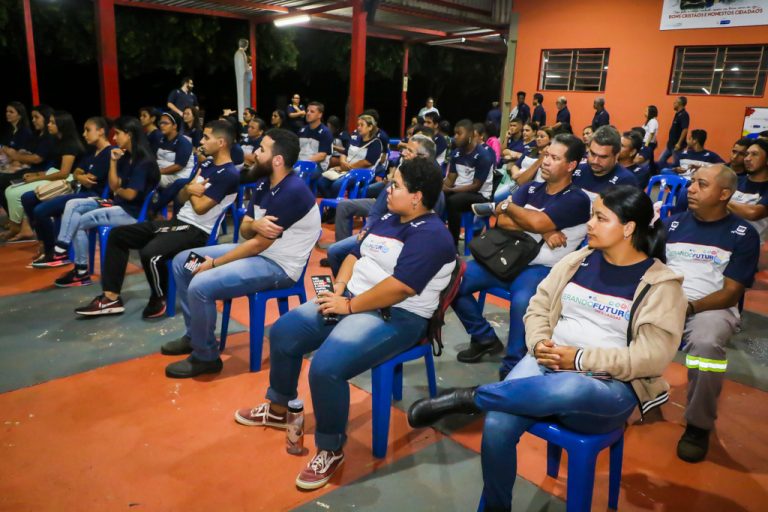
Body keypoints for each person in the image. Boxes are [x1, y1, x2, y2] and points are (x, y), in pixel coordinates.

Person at [408, 185, 686, 512]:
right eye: (591, 216)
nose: (590, 225)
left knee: (569, 384)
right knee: (497, 424)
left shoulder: (661, 285)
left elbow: (650, 358)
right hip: (550, 363)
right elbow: (537, 306)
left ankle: (471, 397)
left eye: (600, 218)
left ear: (628, 228)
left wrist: (580, 359)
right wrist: (539, 343)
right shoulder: (578, 261)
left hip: (609, 386)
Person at [234, 157, 456, 490]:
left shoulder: (434, 236)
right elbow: (355, 254)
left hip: (397, 316)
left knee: (325, 367)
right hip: (353, 297)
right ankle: (279, 406)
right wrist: (339, 289)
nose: (387, 188)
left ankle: (331, 447)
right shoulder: (389, 217)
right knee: (283, 332)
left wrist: (348, 305)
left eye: (395, 185)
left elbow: (400, 289)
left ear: (417, 196)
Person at [162, 128, 321, 378]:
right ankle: (196, 335)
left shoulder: (292, 192)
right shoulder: (263, 182)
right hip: (255, 252)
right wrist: (255, 225)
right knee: (184, 262)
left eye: (262, 150)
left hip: (279, 267)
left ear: (277, 160)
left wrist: (214, 264)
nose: (254, 153)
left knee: (200, 284)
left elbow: (257, 245)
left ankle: (206, 357)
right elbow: (246, 229)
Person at [74, 120, 239, 319]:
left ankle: (159, 297)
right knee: (118, 235)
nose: (202, 141)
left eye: (206, 137)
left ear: (221, 142)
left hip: (196, 231)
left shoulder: (229, 174)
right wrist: (190, 189)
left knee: (150, 253)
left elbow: (201, 208)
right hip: (179, 222)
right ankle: (111, 298)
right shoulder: (206, 164)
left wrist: (190, 190)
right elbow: (180, 197)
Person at [460, 134, 591, 374]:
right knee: (454, 280)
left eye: (555, 158)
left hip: (540, 268)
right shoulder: (531, 188)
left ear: (571, 165)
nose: (546, 162)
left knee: (522, 302)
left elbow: (529, 218)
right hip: (507, 258)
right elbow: (501, 221)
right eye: (546, 155)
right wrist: (543, 226)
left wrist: (514, 209)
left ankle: (512, 366)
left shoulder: (577, 199)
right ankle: (484, 338)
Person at [663, 165, 760, 463]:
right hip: (666, 301)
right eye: (692, 182)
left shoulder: (743, 234)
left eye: (701, 184)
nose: (690, 189)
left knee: (706, 346)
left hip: (712, 307)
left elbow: (732, 292)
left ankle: (698, 425)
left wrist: (688, 308)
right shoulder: (673, 224)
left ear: (724, 194)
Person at [49, 117, 160, 285]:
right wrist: (113, 162)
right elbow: (113, 184)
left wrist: (118, 191)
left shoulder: (144, 162)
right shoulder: (125, 157)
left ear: (129, 134)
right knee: (73, 205)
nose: (114, 138)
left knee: (78, 222)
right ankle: (64, 250)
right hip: (118, 205)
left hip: (132, 213)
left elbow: (129, 194)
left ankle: (79, 270)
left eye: (118, 134)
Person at [323, 134, 440, 274]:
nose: (403, 153)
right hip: (383, 226)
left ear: (423, 156)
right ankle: (346, 288)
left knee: (343, 253)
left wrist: (376, 234)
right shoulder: (404, 170)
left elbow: (425, 229)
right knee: (335, 250)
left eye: (409, 150)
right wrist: (368, 228)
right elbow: (379, 209)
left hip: (394, 237)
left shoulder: (433, 185)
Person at [24, 117, 115, 267]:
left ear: (100, 131)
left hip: (93, 197)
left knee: (40, 210)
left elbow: (91, 179)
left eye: (88, 130)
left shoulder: (109, 153)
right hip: (79, 191)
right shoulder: (92, 151)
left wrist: (80, 176)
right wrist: (80, 176)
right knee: (29, 198)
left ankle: (54, 252)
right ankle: (48, 245)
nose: (84, 134)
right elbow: (78, 172)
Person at [4, 110, 85, 245]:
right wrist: (36, 175)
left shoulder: (69, 144)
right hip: (56, 177)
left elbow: (64, 173)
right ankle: (23, 228)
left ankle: (26, 229)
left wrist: (35, 179)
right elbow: (54, 170)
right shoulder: (58, 142)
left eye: (52, 123)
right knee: (10, 190)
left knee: (16, 193)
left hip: (67, 182)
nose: (49, 125)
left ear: (62, 125)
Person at [0, 104, 56, 235]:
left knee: (6, 185)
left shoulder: (47, 137)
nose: (33, 120)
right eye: (33, 117)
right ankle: (16, 222)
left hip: (40, 173)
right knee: (5, 183)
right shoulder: (40, 136)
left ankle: (19, 224)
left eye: (36, 117)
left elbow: (37, 158)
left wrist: (15, 156)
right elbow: (28, 154)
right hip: (31, 170)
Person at [443, 119, 494, 247]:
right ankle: (437, 237)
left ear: (470, 136)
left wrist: (451, 190)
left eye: (459, 134)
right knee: (437, 197)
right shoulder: (457, 153)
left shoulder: (483, 156)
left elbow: (475, 187)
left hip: (480, 195)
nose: (455, 137)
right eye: (455, 133)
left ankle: (452, 246)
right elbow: (450, 179)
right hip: (460, 191)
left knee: (453, 201)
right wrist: (440, 186)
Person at [317, 114, 383, 199]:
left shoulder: (376, 143)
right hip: (346, 170)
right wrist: (342, 162)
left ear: (370, 127)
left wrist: (347, 167)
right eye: (358, 125)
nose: (358, 128)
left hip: (361, 174)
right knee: (321, 182)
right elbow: (344, 153)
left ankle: (334, 209)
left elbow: (367, 162)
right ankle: (333, 206)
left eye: (362, 125)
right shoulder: (354, 139)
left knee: (337, 185)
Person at [573, 125, 639, 201]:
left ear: (616, 156)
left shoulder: (626, 182)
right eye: (593, 154)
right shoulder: (576, 170)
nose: (595, 161)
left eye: (603, 157)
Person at [728, 139, 768, 242]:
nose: (747, 159)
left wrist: (720, 199)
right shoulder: (735, 180)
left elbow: (753, 213)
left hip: (752, 245)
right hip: (724, 239)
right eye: (747, 154)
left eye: (754, 154)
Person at [297, 101, 334, 182]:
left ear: (320, 115)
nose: (308, 113)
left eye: (312, 111)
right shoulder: (302, 130)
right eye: (307, 111)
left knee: (297, 173)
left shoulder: (325, 132)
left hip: (317, 166)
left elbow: (321, 156)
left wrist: (302, 163)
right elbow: (297, 150)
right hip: (300, 163)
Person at [658, 96, 690, 167]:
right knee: (661, 161)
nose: (673, 104)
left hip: (677, 146)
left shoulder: (684, 115)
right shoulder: (677, 114)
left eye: (675, 102)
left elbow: (685, 129)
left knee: (677, 164)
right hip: (670, 145)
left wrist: (679, 143)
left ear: (679, 104)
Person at [234, 39, 252, 122]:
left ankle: (242, 117)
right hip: (243, 78)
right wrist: (250, 67)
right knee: (244, 98)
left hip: (240, 77)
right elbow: (246, 68)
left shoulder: (236, 53)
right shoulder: (242, 53)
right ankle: (243, 118)